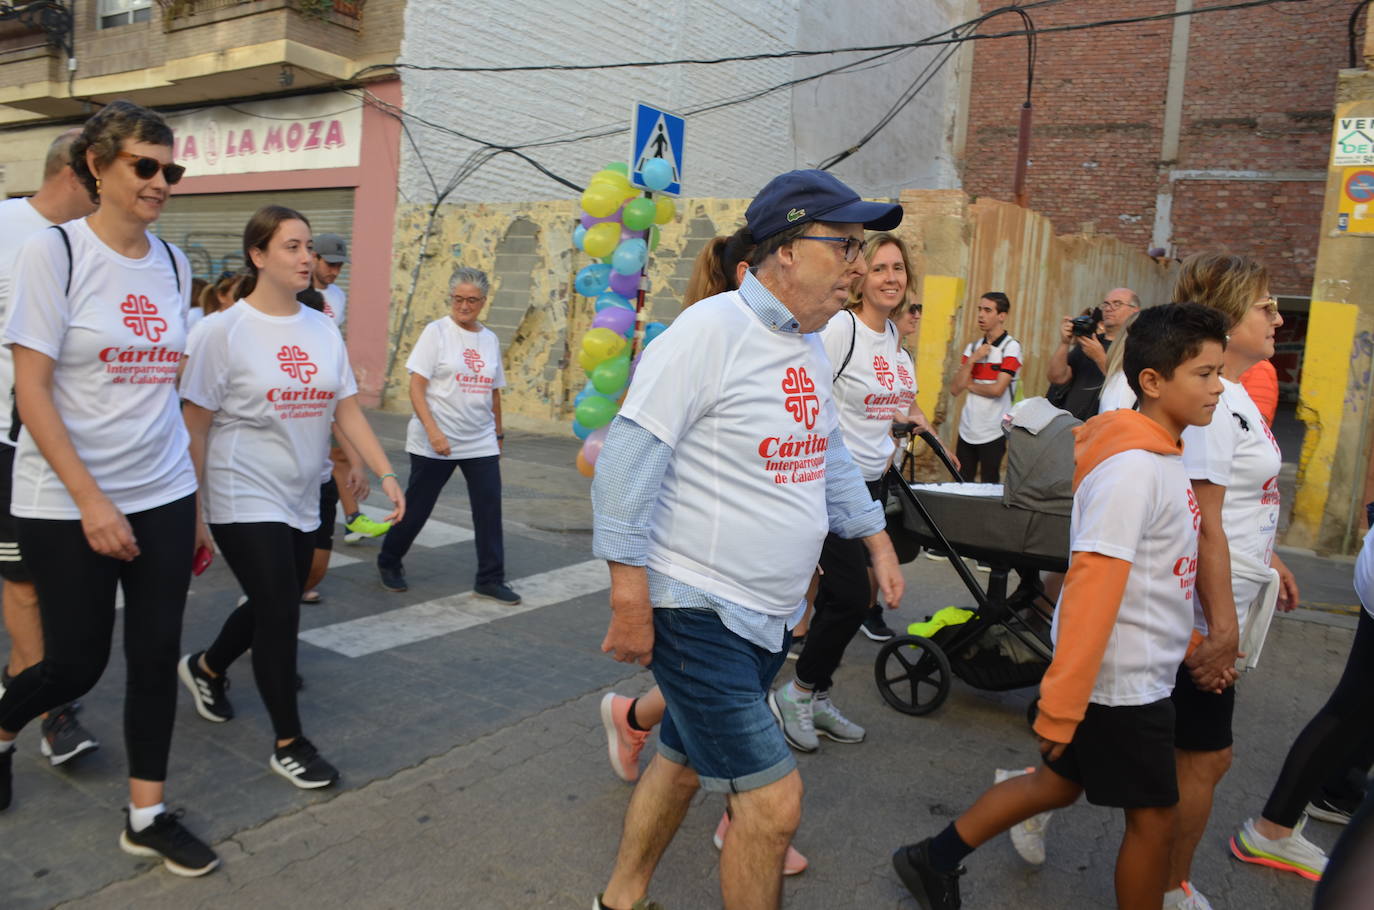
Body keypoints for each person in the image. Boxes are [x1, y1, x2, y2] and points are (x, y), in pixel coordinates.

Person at [591, 169, 905, 910]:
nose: (858, 264)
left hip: (760, 617)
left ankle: (620, 898)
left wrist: (875, 539)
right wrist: (630, 598)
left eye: (862, 247)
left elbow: (824, 452)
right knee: (770, 808)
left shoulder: (807, 343)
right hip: (697, 607)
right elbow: (626, 466)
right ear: (788, 251)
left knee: (680, 763)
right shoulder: (709, 332)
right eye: (846, 245)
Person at [893, 302, 1229, 910]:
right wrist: (1061, 706)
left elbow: (1155, 583)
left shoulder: (1162, 457)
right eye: (1204, 373)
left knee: (1055, 786)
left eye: (1219, 371)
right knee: (1153, 822)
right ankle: (930, 857)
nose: (1218, 386)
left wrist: (1190, 643)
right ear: (1152, 382)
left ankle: (931, 857)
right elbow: (1093, 591)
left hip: (1130, 675)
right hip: (1117, 685)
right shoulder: (1132, 471)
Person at [0, 100, 219, 875]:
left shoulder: (173, 263)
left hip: (158, 485)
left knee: (157, 652)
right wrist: (93, 501)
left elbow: (166, 394)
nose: (163, 182)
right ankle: (2, 727)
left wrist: (192, 507)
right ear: (98, 167)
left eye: (172, 169)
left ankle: (147, 814)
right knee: (76, 665)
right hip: (64, 495)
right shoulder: (52, 255)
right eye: (145, 166)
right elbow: (32, 393)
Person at [176, 206, 403, 789]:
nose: (307, 258)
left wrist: (381, 472)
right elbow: (194, 426)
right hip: (241, 490)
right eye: (293, 247)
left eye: (309, 247)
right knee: (279, 607)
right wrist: (195, 512)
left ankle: (206, 666)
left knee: (277, 596)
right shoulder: (219, 332)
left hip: (304, 490)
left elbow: (344, 407)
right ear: (258, 256)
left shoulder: (321, 326)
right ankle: (289, 742)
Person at [771, 232, 925, 745]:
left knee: (844, 598)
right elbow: (809, 397)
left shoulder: (894, 341)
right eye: (879, 267)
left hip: (875, 484)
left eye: (898, 268)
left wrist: (911, 422)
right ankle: (795, 692)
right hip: (829, 482)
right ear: (862, 278)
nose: (890, 278)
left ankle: (812, 693)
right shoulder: (843, 330)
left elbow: (888, 404)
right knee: (850, 596)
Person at [0, 128, 102, 772]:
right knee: (24, 582)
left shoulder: (98, 249)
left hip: (85, 442)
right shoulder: (7, 228)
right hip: (9, 440)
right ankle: (51, 711)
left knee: (65, 584)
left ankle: (28, 680)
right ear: (76, 173)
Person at [376, 267, 518, 604]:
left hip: (479, 439)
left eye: (471, 300)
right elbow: (416, 385)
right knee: (419, 507)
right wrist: (434, 432)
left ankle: (490, 578)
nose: (464, 306)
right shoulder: (436, 332)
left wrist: (498, 435)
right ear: (451, 298)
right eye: (458, 299)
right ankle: (389, 560)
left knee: (488, 508)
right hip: (437, 439)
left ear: (483, 302)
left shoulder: (489, 339)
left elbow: (495, 392)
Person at [949, 292, 1021, 483]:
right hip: (967, 429)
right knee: (961, 484)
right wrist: (973, 359)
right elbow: (955, 389)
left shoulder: (1011, 347)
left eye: (987, 310)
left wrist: (969, 384)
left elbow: (998, 390)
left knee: (989, 485)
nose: (981, 315)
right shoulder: (973, 348)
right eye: (980, 309)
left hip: (994, 430)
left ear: (1001, 316)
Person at [1047, 287, 1140, 420]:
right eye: (1106, 304)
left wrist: (1100, 358)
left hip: (1102, 429)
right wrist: (1064, 343)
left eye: (1117, 304)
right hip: (1069, 427)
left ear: (1135, 311)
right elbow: (1057, 378)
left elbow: (1130, 389)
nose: (1109, 308)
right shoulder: (1089, 342)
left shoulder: (1138, 348)